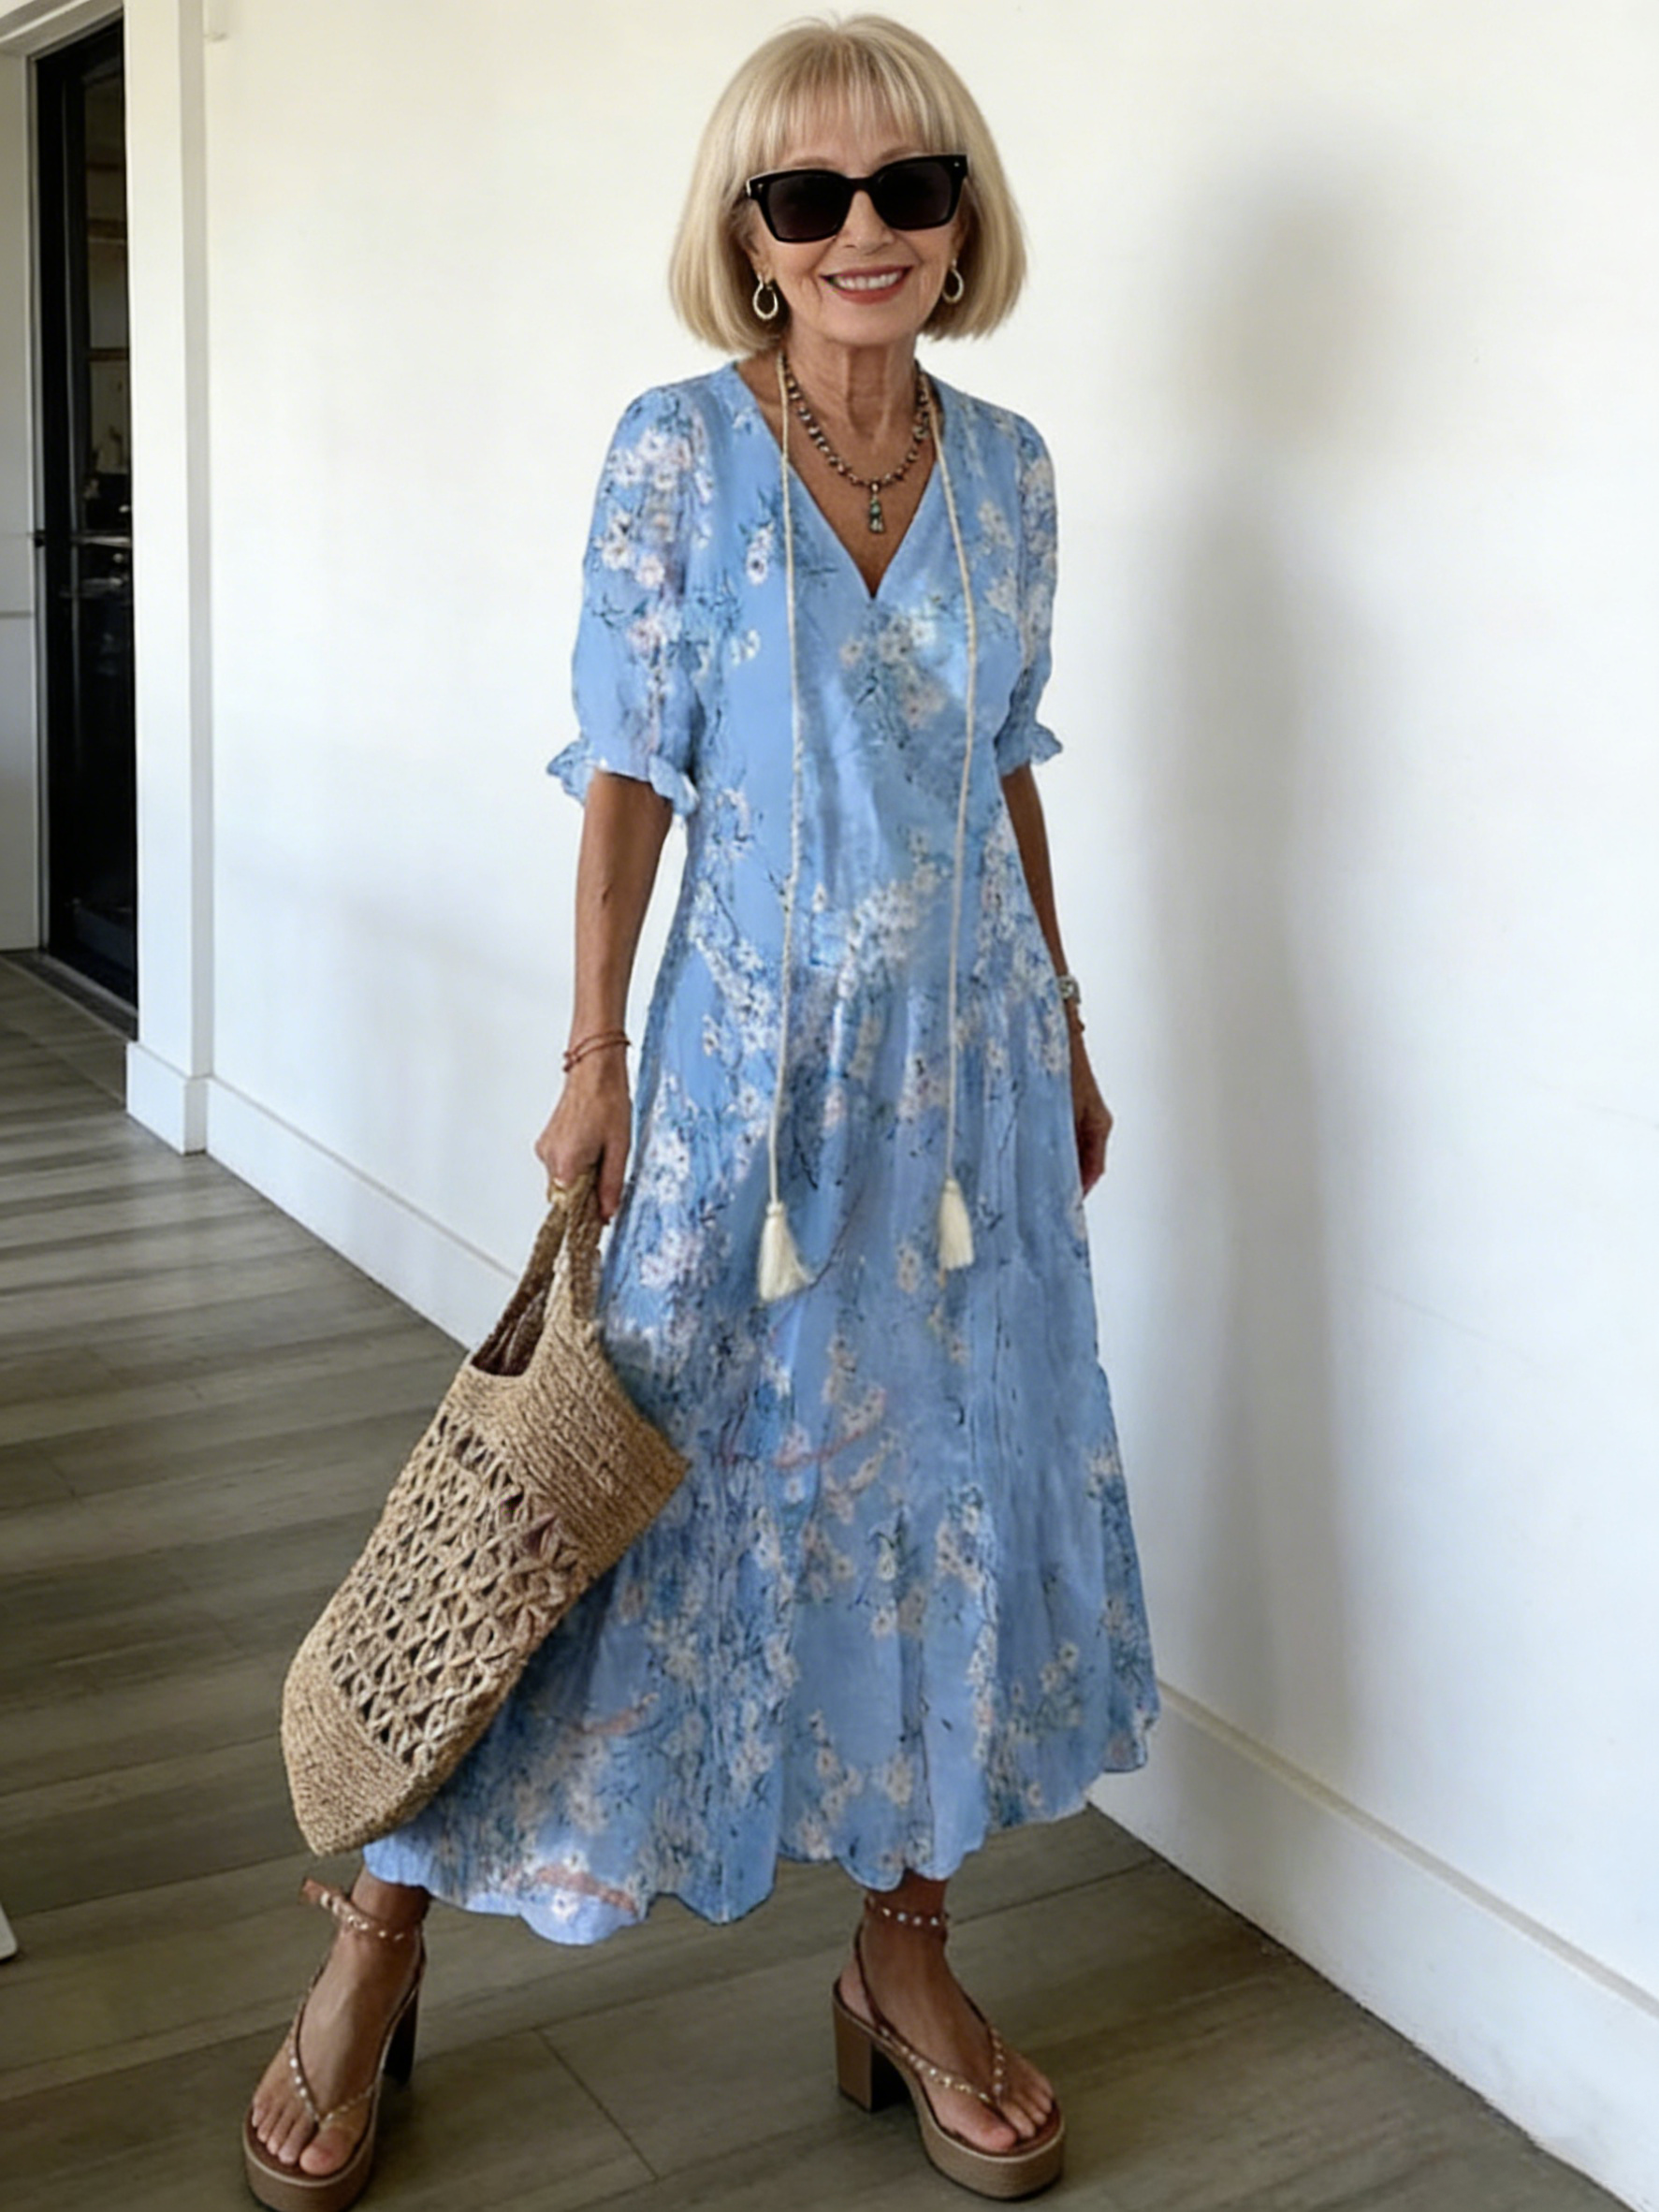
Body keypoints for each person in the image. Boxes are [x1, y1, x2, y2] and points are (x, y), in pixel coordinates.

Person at [243, 15, 1157, 2205]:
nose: (863, 232)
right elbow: (627, 780)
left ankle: (903, 1960)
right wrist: (595, 1060)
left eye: (908, 187)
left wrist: (1062, 1025)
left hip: (964, 1102)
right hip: (742, 1098)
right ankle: (376, 1935)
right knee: (588, 1504)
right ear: (746, 235)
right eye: (805, 196)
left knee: (942, 1497)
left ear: (963, 218)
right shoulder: (675, 455)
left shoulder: (1013, 471)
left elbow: (1002, 764)